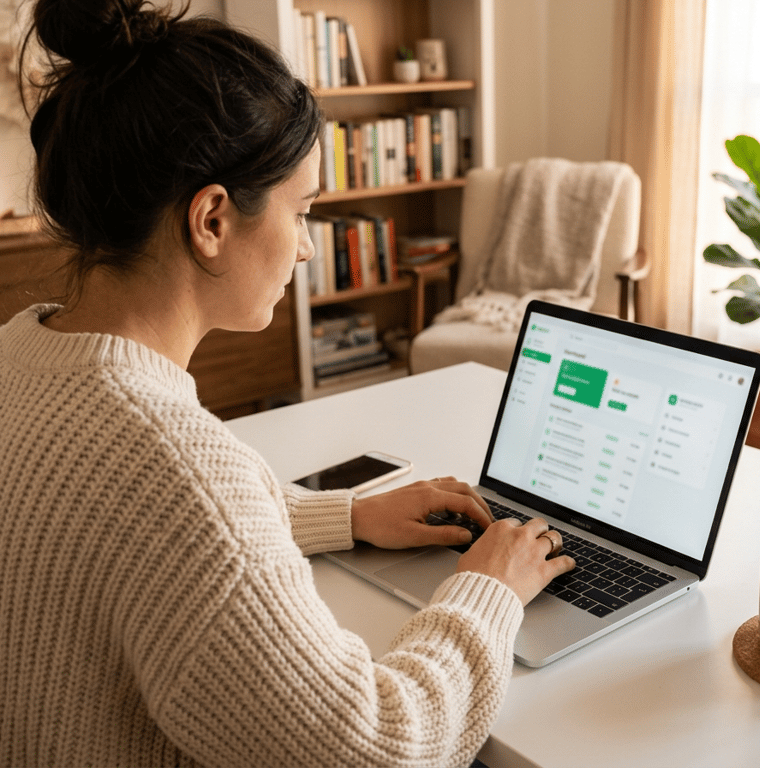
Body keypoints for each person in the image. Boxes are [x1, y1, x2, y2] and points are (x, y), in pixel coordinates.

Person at [0, 1, 574, 765]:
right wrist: (489, 590)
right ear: (210, 220)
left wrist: (348, 515)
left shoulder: (21, 352)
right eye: (302, 211)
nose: (306, 249)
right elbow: (377, 747)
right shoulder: (174, 465)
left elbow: (131, 540)